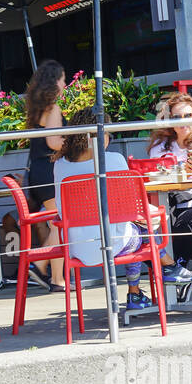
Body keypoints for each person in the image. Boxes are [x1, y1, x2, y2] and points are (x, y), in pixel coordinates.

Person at [54, 107, 152, 313]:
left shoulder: (60, 165)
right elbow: (130, 207)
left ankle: (168, 270)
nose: (108, 137)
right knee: (147, 228)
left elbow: (61, 210)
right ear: (97, 135)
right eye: (106, 132)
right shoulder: (113, 160)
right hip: (112, 243)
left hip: (75, 247)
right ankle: (138, 290)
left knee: (140, 224)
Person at [146, 93, 192, 285]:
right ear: (169, 120)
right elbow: (155, 179)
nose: (183, 122)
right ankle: (176, 273)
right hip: (167, 199)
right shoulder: (160, 148)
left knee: (183, 223)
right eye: (177, 117)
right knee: (141, 233)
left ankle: (179, 275)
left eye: (188, 116)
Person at [23, 60, 68, 290]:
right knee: (59, 225)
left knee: (56, 226)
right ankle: (39, 264)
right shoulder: (54, 108)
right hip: (49, 172)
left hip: (38, 174)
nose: (65, 83)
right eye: (62, 79)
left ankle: (57, 278)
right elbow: (53, 141)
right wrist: (75, 141)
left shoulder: (37, 109)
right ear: (54, 82)